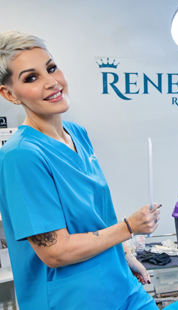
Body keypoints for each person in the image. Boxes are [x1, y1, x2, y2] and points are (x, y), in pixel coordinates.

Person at [0, 31, 161, 310]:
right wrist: (128, 228)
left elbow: (93, 216)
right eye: (31, 77)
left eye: (51, 68)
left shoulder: (78, 134)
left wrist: (123, 254)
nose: (51, 82)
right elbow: (55, 252)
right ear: (9, 94)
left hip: (120, 286)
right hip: (73, 300)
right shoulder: (21, 155)